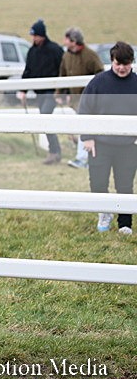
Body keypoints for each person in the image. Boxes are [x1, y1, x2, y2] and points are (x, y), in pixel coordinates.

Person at [77, 41, 137, 235]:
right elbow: (85, 109)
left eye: (126, 64)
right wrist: (87, 137)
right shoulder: (98, 82)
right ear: (111, 61)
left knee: (125, 184)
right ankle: (104, 212)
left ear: (132, 62)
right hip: (100, 144)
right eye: (118, 63)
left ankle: (125, 223)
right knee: (98, 183)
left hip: (128, 145)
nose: (121, 68)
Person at [16, 19, 64, 164]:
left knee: (45, 117)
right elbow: (28, 71)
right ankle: (55, 151)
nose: (34, 38)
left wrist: (63, 91)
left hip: (52, 92)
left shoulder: (55, 50)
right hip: (40, 92)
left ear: (41, 35)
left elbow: (63, 70)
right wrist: (23, 90)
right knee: (45, 120)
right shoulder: (32, 52)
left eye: (35, 35)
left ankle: (54, 151)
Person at [55, 26, 104, 169]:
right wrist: (59, 94)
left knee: (87, 128)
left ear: (73, 40)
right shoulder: (66, 55)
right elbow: (62, 75)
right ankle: (84, 158)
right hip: (76, 100)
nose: (64, 42)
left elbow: (100, 75)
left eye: (66, 39)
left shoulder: (90, 55)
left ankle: (83, 158)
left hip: (90, 99)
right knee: (84, 127)